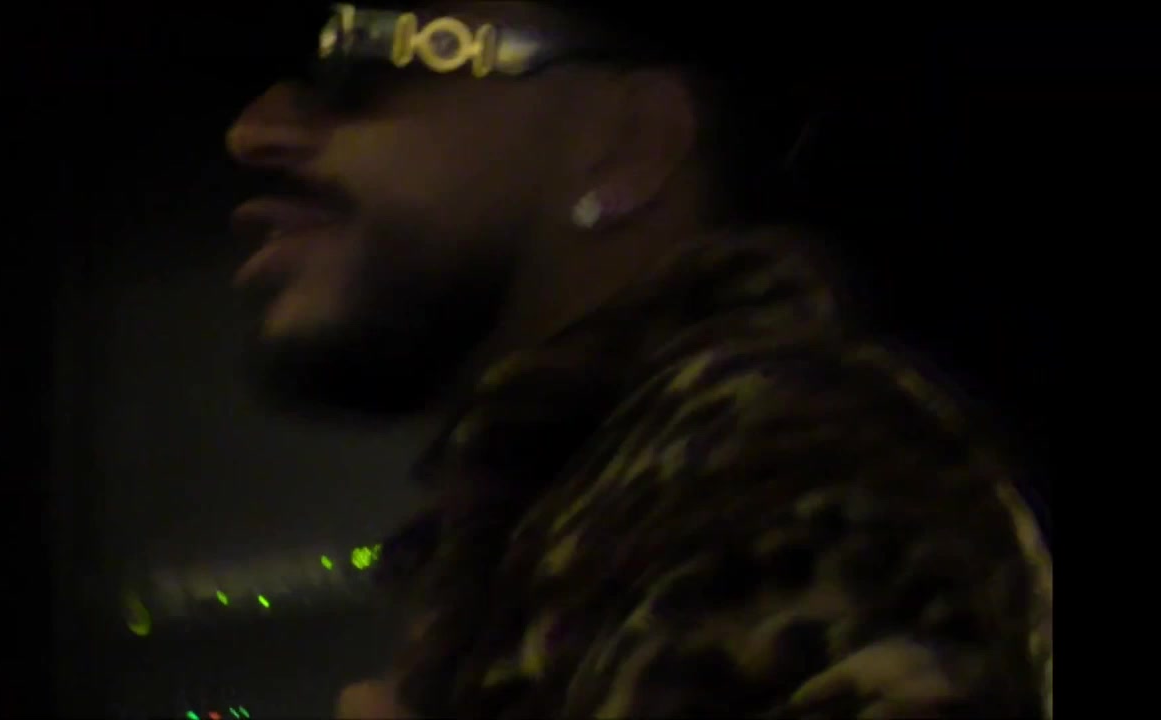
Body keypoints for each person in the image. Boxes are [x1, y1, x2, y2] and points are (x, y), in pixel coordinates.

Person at [226, 3, 1051, 717]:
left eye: (365, 53)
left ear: (626, 147)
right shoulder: (592, 507)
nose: (252, 133)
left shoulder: (785, 461)